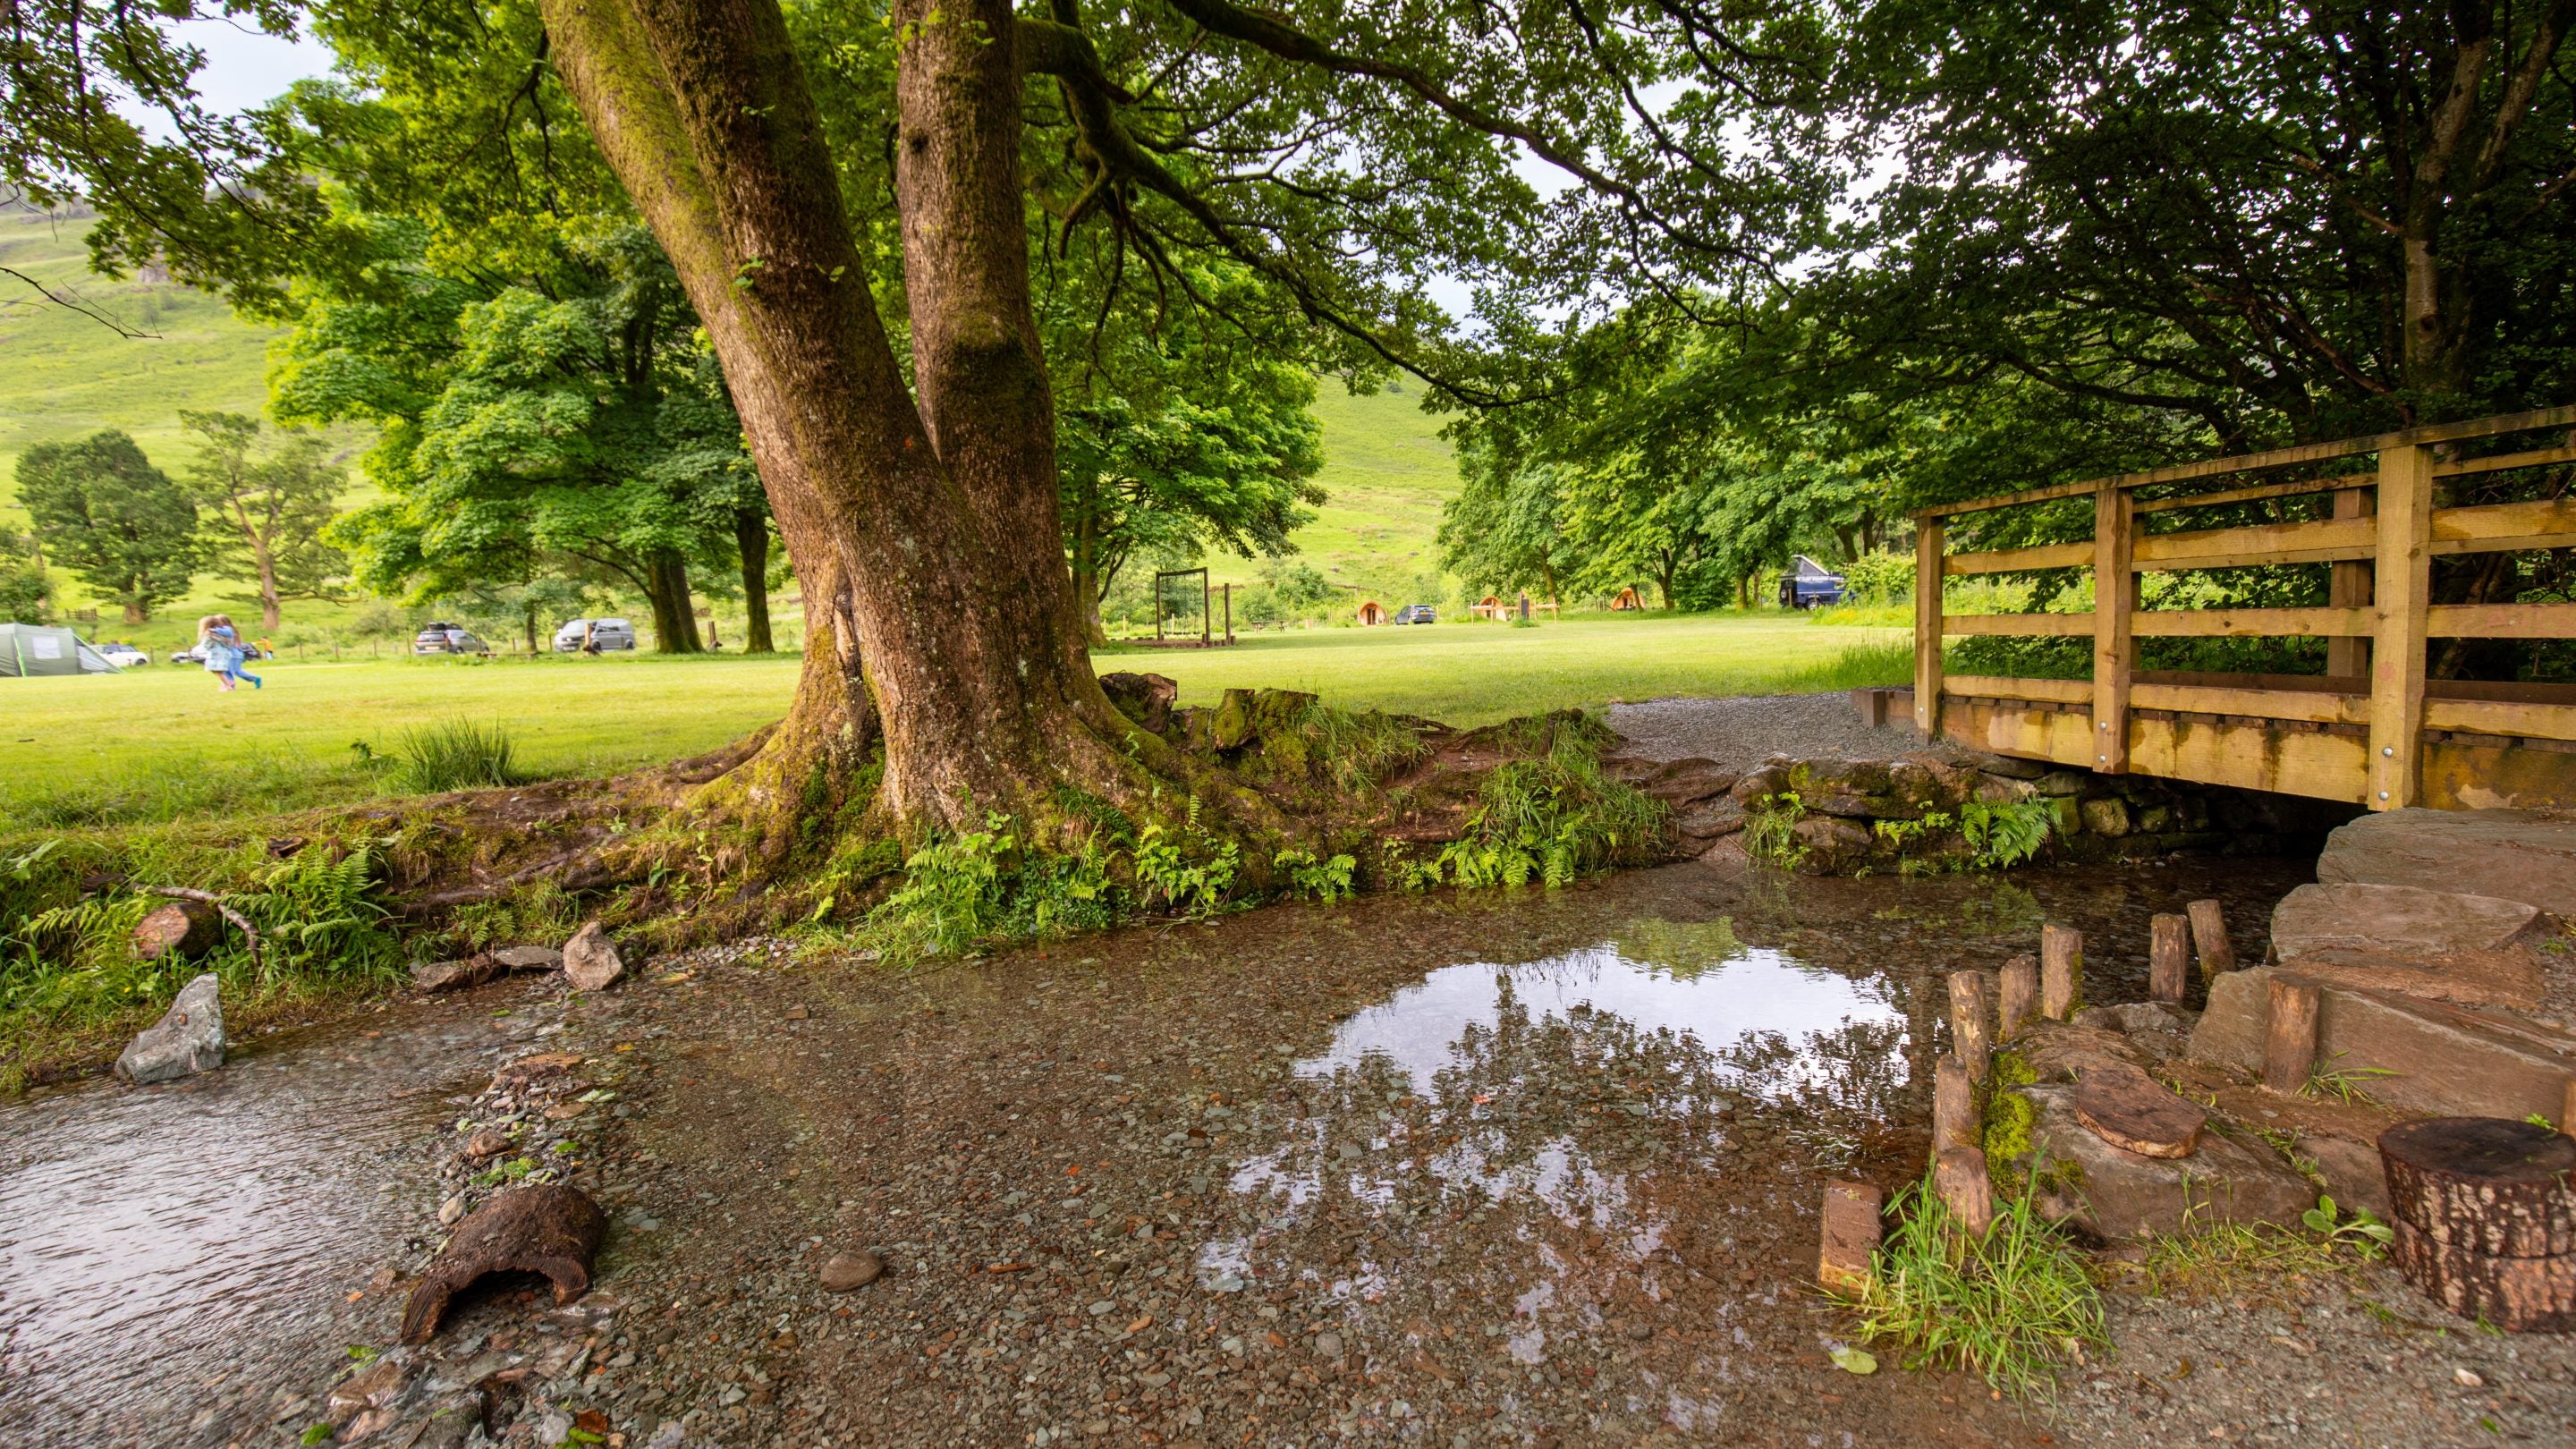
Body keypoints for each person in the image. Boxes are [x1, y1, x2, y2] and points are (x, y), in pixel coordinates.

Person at [196, 614, 262, 692]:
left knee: (227, 670)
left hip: (232, 654)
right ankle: (254, 678)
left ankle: (229, 685)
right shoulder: (231, 631)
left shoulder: (226, 631)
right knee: (237, 671)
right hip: (237, 654)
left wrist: (213, 630)